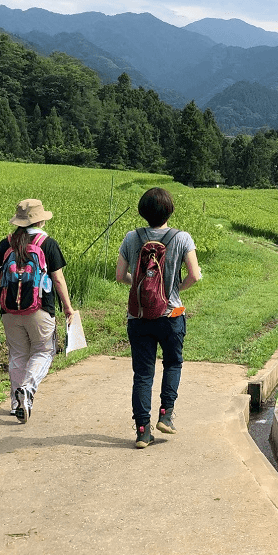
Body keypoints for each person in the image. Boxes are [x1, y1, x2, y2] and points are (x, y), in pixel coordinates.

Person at [0, 199, 75, 423]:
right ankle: (27, 389)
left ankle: (16, 403)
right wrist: (68, 307)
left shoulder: (6, 243)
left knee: (17, 354)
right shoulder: (47, 243)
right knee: (44, 351)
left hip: (8, 310)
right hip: (39, 309)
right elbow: (57, 279)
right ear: (40, 220)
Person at [116, 187, 201, 448]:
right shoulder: (182, 237)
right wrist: (174, 290)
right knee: (173, 363)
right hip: (171, 314)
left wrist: (139, 286)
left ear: (143, 211)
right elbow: (195, 275)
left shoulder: (131, 238)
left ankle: (142, 430)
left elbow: (120, 276)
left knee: (142, 374)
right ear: (170, 210)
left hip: (138, 315)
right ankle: (166, 414)